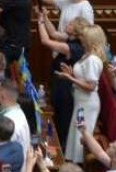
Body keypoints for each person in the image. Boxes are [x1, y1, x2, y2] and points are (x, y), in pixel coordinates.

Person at [37, 10, 90, 149]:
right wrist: (45, 17)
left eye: (71, 24)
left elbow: (46, 41)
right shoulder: (70, 39)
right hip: (60, 83)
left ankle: (63, 151)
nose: (68, 24)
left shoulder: (74, 47)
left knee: (63, 122)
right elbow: (54, 33)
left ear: (77, 30)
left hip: (66, 88)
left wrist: (40, 22)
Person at [56, 25, 106, 163]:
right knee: (75, 134)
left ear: (90, 39)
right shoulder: (86, 55)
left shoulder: (93, 60)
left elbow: (91, 86)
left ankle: (80, 169)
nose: (80, 38)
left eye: (83, 36)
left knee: (81, 136)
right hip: (80, 101)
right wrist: (71, 73)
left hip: (87, 103)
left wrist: (70, 78)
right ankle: (74, 165)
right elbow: (83, 78)